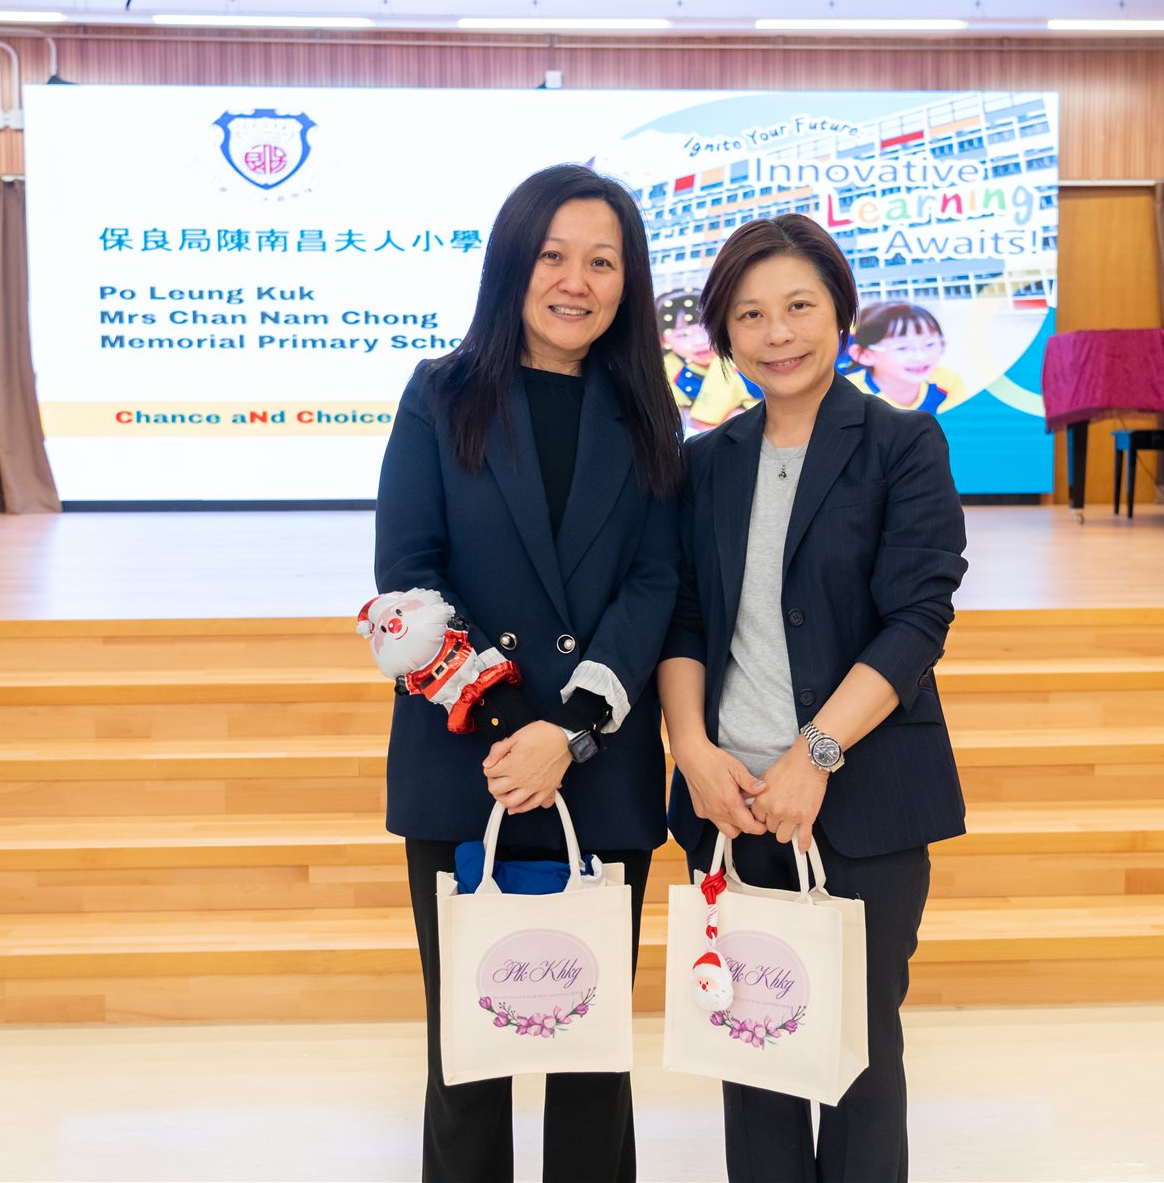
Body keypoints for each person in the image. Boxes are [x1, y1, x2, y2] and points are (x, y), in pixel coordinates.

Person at [375, 163, 683, 1182]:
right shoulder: (439, 395)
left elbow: (654, 583)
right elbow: (408, 578)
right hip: (468, 765)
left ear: (628, 283)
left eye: (602, 262)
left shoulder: (648, 410)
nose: (575, 281)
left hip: (599, 766)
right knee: (469, 1057)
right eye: (553, 255)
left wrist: (572, 732)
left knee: (590, 1055)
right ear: (512, 262)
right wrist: (518, 730)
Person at [655, 214, 969, 1182]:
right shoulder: (705, 461)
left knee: (854, 1060)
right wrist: (692, 752)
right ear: (724, 331)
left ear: (839, 314)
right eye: (749, 314)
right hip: (729, 806)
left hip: (861, 804)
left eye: (797, 305)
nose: (777, 332)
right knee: (751, 1059)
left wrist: (814, 754)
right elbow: (685, 621)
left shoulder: (901, 443)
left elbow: (916, 619)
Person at [658, 288, 765, 431]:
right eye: (683, 335)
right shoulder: (664, 370)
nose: (700, 341)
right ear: (663, 340)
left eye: (708, 329)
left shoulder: (737, 358)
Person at [846, 301, 966, 413]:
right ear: (864, 355)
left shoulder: (948, 382)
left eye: (930, 344)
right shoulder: (847, 394)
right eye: (902, 348)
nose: (921, 357)